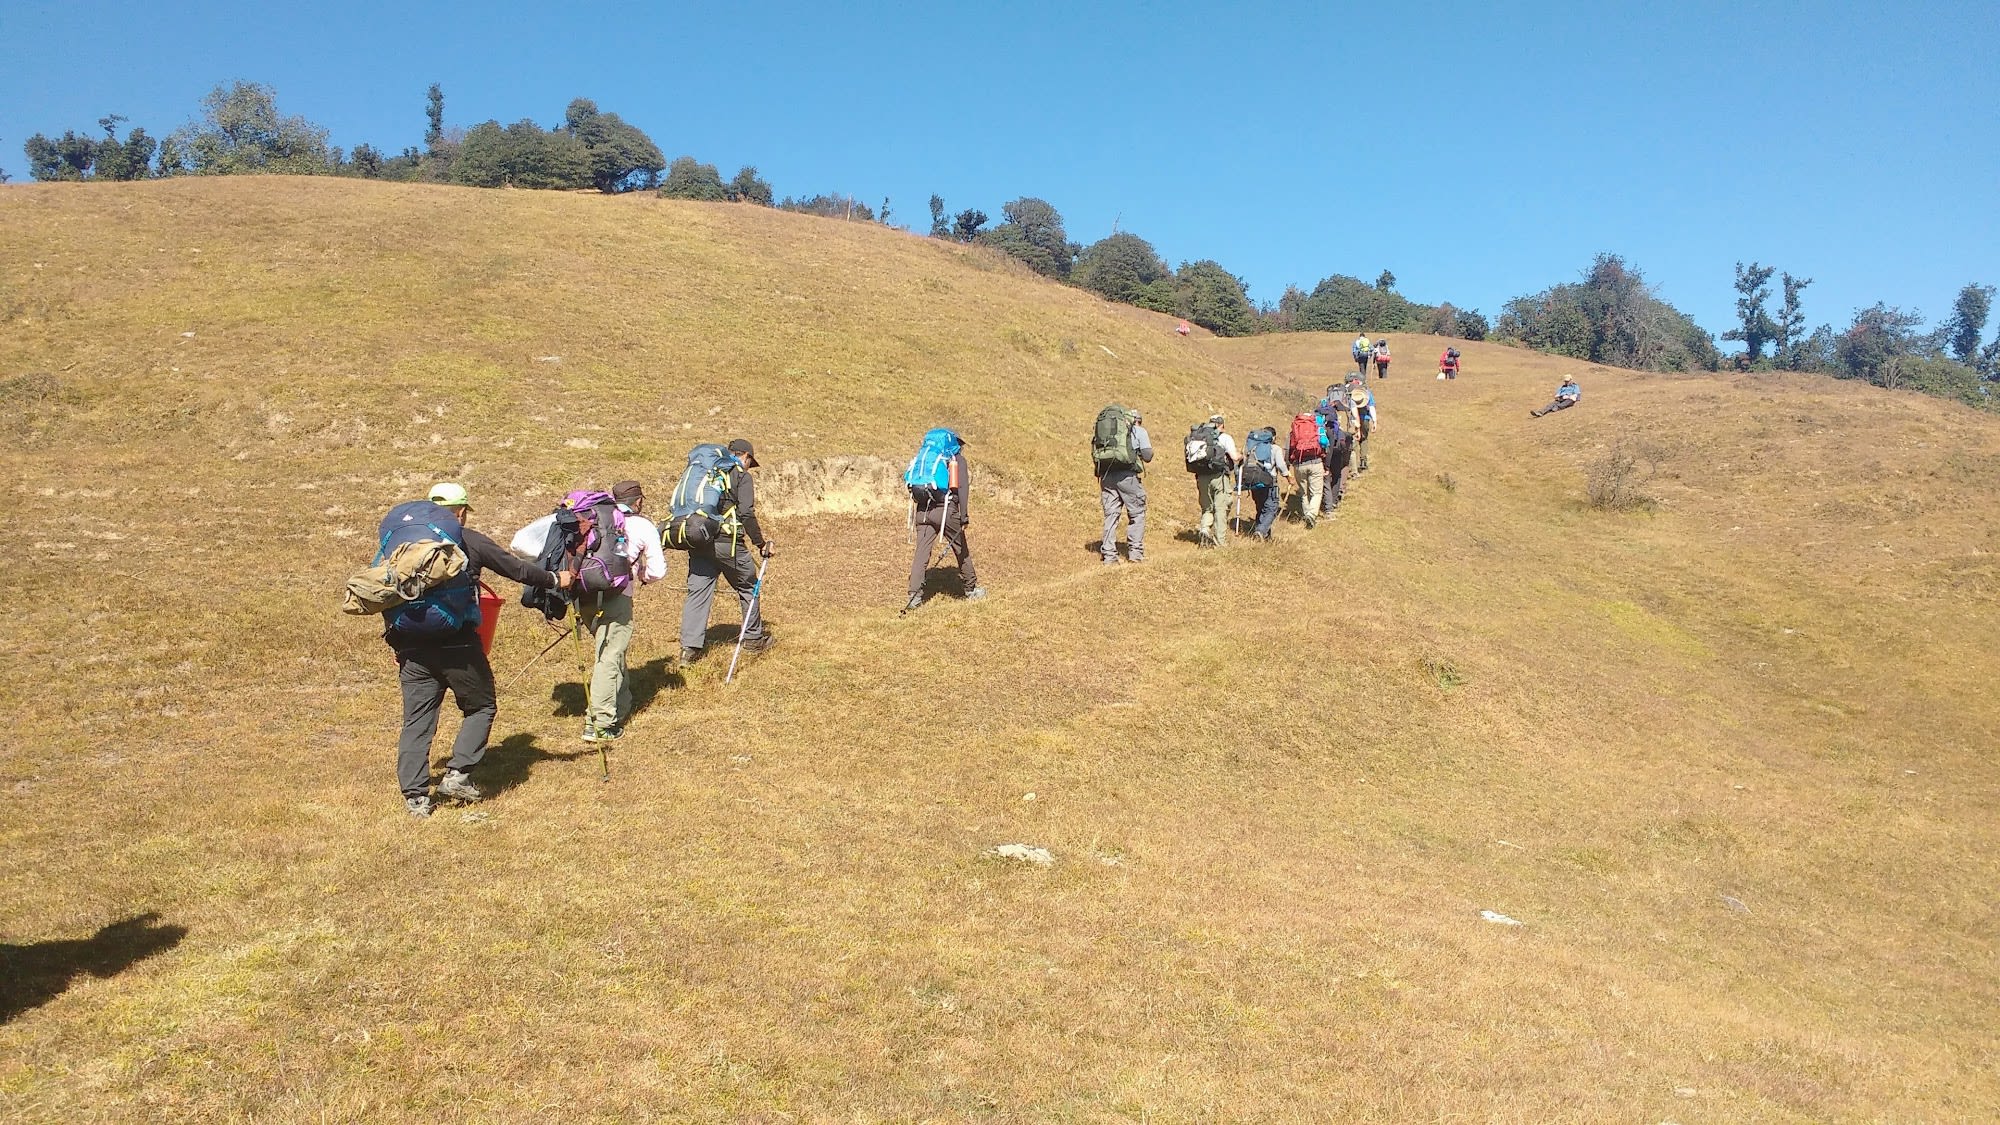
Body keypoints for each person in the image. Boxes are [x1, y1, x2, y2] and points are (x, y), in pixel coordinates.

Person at [393, 483, 573, 818]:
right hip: (459, 643)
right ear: (460, 511)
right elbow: (515, 568)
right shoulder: (467, 539)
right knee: (481, 706)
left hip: (411, 646)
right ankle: (458, 774)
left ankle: (416, 799)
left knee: (417, 720)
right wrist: (554, 579)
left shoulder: (403, 544)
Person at [577, 480, 666, 743]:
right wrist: (644, 576)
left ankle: (622, 703)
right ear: (637, 501)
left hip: (584, 594)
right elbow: (657, 571)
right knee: (609, 656)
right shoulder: (642, 525)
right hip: (617, 597)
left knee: (610, 650)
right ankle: (599, 723)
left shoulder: (594, 520)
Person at [679, 439, 774, 665]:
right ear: (746, 457)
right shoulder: (741, 476)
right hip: (727, 543)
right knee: (749, 585)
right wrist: (760, 543)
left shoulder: (707, 473)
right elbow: (746, 513)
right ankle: (752, 639)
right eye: (750, 462)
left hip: (699, 540)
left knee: (698, 593)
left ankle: (689, 650)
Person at [907, 435, 984, 610]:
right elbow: (962, 489)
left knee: (921, 552)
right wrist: (964, 516)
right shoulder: (957, 459)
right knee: (960, 548)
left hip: (923, 509)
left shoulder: (927, 456)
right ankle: (971, 589)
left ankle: (914, 596)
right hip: (946, 510)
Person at [1097, 409, 1153, 564]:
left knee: (1111, 515)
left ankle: (1109, 556)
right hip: (1127, 477)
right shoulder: (1139, 431)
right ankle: (1135, 554)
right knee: (1137, 513)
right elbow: (1148, 456)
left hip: (1106, 476)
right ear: (1137, 420)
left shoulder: (1108, 432)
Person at [1190, 413, 1241, 547]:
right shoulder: (1225, 437)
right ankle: (1220, 543)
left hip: (1201, 476)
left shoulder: (1200, 438)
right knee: (1220, 509)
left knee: (1207, 508)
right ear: (1222, 425)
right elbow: (1235, 457)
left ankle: (1205, 530)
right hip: (1219, 477)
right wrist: (1242, 457)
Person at [1241, 425, 1292, 540]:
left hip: (1253, 482)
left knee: (1260, 507)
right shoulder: (1275, 448)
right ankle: (1260, 531)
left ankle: (1265, 535)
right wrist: (1288, 477)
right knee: (1271, 508)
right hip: (1269, 482)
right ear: (1273, 437)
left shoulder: (1251, 447)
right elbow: (1281, 465)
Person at [1286, 408, 1327, 529]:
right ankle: (1311, 514)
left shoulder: (1295, 428)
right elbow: (1324, 444)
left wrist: (1289, 463)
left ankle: (1306, 515)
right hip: (1316, 461)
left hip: (1299, 463)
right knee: (1317, 492)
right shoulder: (1316, 425)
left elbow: (1290, 447)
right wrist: (1324, 462)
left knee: (1304, 493)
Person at [1347, 375, 1378, 474]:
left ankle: (1353, 465)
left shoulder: (1348, 392)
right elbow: (1372, 407)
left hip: (1352, 420)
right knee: (1364, 439)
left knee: (1354, 441)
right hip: (1365, 419)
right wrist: (1374, 421)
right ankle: (1363, 461)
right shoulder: (1367, 392)